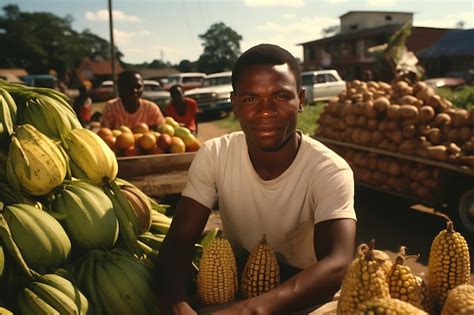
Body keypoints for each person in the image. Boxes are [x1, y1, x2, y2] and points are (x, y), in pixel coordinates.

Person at [156, 44, 357, 314]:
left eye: (281, 96)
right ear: (234, 102)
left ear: (301, 100)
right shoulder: (215, 155)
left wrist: (249, 311)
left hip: (304, 293)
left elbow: (338, 262)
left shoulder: (329, 170)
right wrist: (175, 301)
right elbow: (180, 240)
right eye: (250, 99)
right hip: (237, 283)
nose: (265, 111)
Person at [100, 69, 165, 130]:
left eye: (138, 87)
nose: (134, 90)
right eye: (129, 86)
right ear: (120, 88)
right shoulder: (112, 107)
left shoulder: (151, 109)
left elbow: (161, 132)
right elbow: (105, 133)